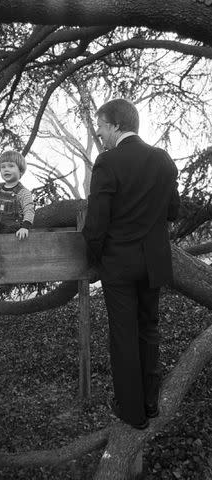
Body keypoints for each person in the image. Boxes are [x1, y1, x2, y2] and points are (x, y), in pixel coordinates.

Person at [82, 99, 180, 429]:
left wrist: (94, 260)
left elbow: (96, 223)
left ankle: (131, 411)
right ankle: (151, 403)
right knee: (149, 329)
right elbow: (172, 211)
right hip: (153, 261)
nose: (99, 134)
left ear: (115, 126)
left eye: (101, 127)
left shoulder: (107, 163)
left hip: (119, 265)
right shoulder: (163, 160)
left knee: (123, 335)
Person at [0, 150, 34, 239]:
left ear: (20, 171)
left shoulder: (23, 192)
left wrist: (25, 227)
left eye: (11, 166)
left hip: (16, 235)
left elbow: (29, 210)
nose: (6, 169)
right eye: (3, 167)